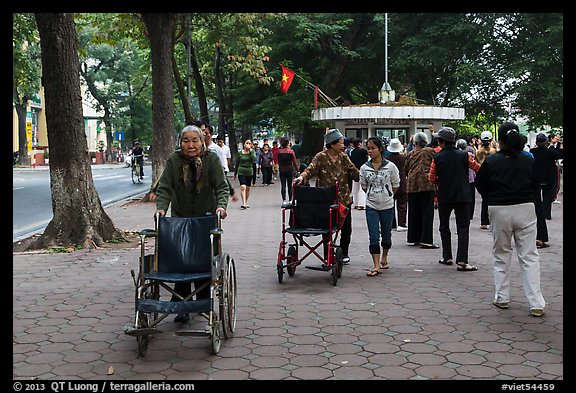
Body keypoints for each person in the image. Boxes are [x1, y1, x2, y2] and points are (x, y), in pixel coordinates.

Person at [154, 125, 230, 323]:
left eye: (195, 140)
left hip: (205, 217)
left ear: (202, 141)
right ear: (181, 142)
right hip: (180, 217)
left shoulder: (211, 159)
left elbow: (221, 187)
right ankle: (181, 304)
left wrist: (221, 207)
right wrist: (161, 208)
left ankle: (203, 300)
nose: (191, 145)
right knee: (181, 259)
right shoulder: (174, 160)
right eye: (186, 141)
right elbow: (164, 188)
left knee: (202, 259)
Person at [475, 121, 546, 317]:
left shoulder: (492, 161)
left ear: (501, 139)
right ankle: (536, 303)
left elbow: (480, 185)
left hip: (499, 209)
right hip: (526, 208)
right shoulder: (528, 159)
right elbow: (536, 184)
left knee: (501, 254)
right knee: (529, 256)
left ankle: (502, 297)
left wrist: (493, 197)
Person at [294, 128, 359, 265]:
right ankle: (327, 255)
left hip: (344, 199)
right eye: (341, 143)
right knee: (327, 228)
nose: (343, 145)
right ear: (333, 144)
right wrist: (301, 177)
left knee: (346, 228)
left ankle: (344, 252)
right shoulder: (320, 157)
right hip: (325, 200)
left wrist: (366, 175)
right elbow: (310, 170)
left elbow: (354, 172)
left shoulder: (344, 157)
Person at [428, 127, 480, 271]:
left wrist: (442, 181)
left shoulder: (437, 157)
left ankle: (447, 256)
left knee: (444, 226)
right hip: (463, 195)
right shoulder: (465, 155)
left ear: (440, 141)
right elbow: (477, 168)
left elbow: (431, 178)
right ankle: (462, 260)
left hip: (444, 196)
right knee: (463, 227)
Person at [360, 137, 400, 276]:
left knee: (386, 236)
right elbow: (364, 186)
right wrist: (373, 194)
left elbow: (396, 184)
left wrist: (388, 194)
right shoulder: (364, 168)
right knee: (373, 235)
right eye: (368, 148)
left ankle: (384, 258)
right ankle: (376, 265)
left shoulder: (391, 166)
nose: (370, 151)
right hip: (371, 205)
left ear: (380, 149)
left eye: (373, 148)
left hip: (387, 205)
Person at [404, 132, 438, 249]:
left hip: (412, 185)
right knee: (427, 213)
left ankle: (414, 238)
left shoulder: (410, 154)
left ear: (415, 143)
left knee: (414, 212)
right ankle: (426, 240)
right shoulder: (430, 151)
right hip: (427, 185)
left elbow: (406, 168)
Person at [530, 133, 563, 248]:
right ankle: (546, 213)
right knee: (548, 198)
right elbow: (560, 155)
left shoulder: (532, 152)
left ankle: (543, 213)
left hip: (536, 179)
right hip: (549, 179)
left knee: (538, 202)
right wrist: (558, 146)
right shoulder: (550, 151)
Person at [474, 131, 498, 229]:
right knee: (493, 200)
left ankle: (484, 221)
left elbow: (475, 163)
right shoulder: (494, 151)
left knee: (485, 200)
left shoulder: (478, 152)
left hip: (482, 177)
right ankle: (493, 221)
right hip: (492, 177)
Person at [386, 138, 408, 231]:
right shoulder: (404, 158)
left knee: (390, 204)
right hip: (402, 183)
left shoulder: (386, 159)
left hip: (390, 183)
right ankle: (402, 223)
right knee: (402, 204)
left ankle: (392, 223)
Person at [457, 139, 477, 220]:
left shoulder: (457, 155)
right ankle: (470, 214)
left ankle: (460, 213)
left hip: (460, 178)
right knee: (471, 196)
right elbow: (475, 166)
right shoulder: (469, 155)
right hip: (471, 178)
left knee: (460, 196)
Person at [234, 139, 257, 209]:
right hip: (241, 171)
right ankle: (243, 203)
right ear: (244, 144)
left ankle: (246, 202)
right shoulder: (240, 153)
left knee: (248, 188)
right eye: (246, 143)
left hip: (249, 171)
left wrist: (250, 150)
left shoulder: (252, 152)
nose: (248, 144)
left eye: (249, 143)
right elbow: (237, 163)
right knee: (243, 187)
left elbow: (254, 159)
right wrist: (235, 173)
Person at [276, 136, 298, 202]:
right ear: (288, 143)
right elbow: (294, 162)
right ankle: (290, 200)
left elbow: (277, 160)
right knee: (290, 185)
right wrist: (297, 170)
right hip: (289, 169)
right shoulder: (291, 151)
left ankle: (284, 200)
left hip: (282, 169)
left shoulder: (279, 152)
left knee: (283, 185)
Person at [349, 138, 368, 210]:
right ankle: (362, 204)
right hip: (362, 170)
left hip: (354, 170)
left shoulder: (352, 151)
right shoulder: (362, 151)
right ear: (360, 144)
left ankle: (356, 203)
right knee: (362, 187)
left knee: (355, 187)